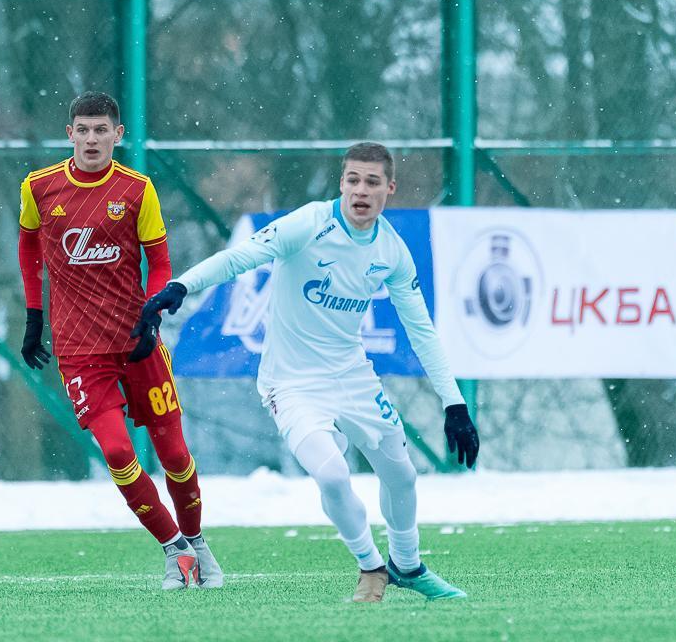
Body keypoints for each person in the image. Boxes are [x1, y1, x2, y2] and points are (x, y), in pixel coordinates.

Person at [131, 142, 479, 602]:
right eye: (353, 180)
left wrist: (454, 404)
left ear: (389, 189)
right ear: (342, 183)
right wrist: (182, 284)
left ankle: (408, 565)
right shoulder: (310, 223)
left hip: (353, 377)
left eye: (372, 182)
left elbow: (422, 331)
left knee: (403, 477)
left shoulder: (392, 251)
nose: (361, 190)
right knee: (332, 474)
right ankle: (371, 566)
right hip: (291, 384)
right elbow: (239, 257)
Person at [17, 91, 223, 590]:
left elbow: (161, 263)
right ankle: (175, 551)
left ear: (117, 135)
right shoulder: (38, 187)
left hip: (137, 341)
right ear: (70, 134)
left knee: (175, 456)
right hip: (80, 350)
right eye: (83, 130)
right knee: (115, 452)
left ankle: (198, 544)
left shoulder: (137, 189)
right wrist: (33, 317)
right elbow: (28, 251)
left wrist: (152, 316)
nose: (92, 139)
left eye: (101, 130)